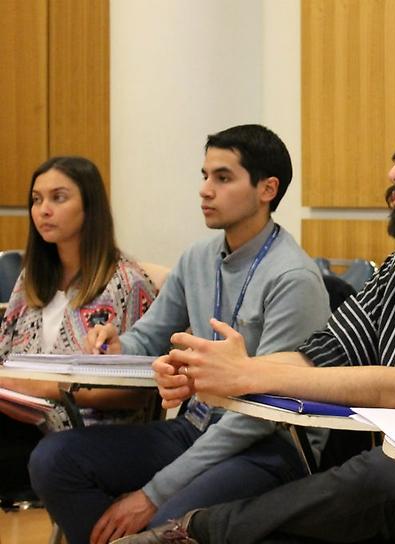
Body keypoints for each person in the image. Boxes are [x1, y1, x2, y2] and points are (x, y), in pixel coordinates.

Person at [118, 103, 395, 544]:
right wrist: (208, 370)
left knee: (376, 478)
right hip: (394, 483)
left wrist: (248, 374)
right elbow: (322, 353)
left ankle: (197, 529)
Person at [28, 125, 331, 544]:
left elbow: (264, 412)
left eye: (222, 178)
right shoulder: (197, 258)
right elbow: (147, 339)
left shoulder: (293, 277)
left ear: (267, 189)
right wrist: (116, 344)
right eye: (205, 176)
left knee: (167, 523)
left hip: (269, 444)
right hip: (196, 425)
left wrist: (151, 495)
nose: (205, 190)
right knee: (54, 460)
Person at [0, 156, 157, 495]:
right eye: (36, 199)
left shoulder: (127, 283)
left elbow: (137, 394)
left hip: (92, 440)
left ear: (90, 206)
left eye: (58, 198)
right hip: (24, 424)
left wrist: (41, 388)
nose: (43, 210)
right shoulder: (30, 279)